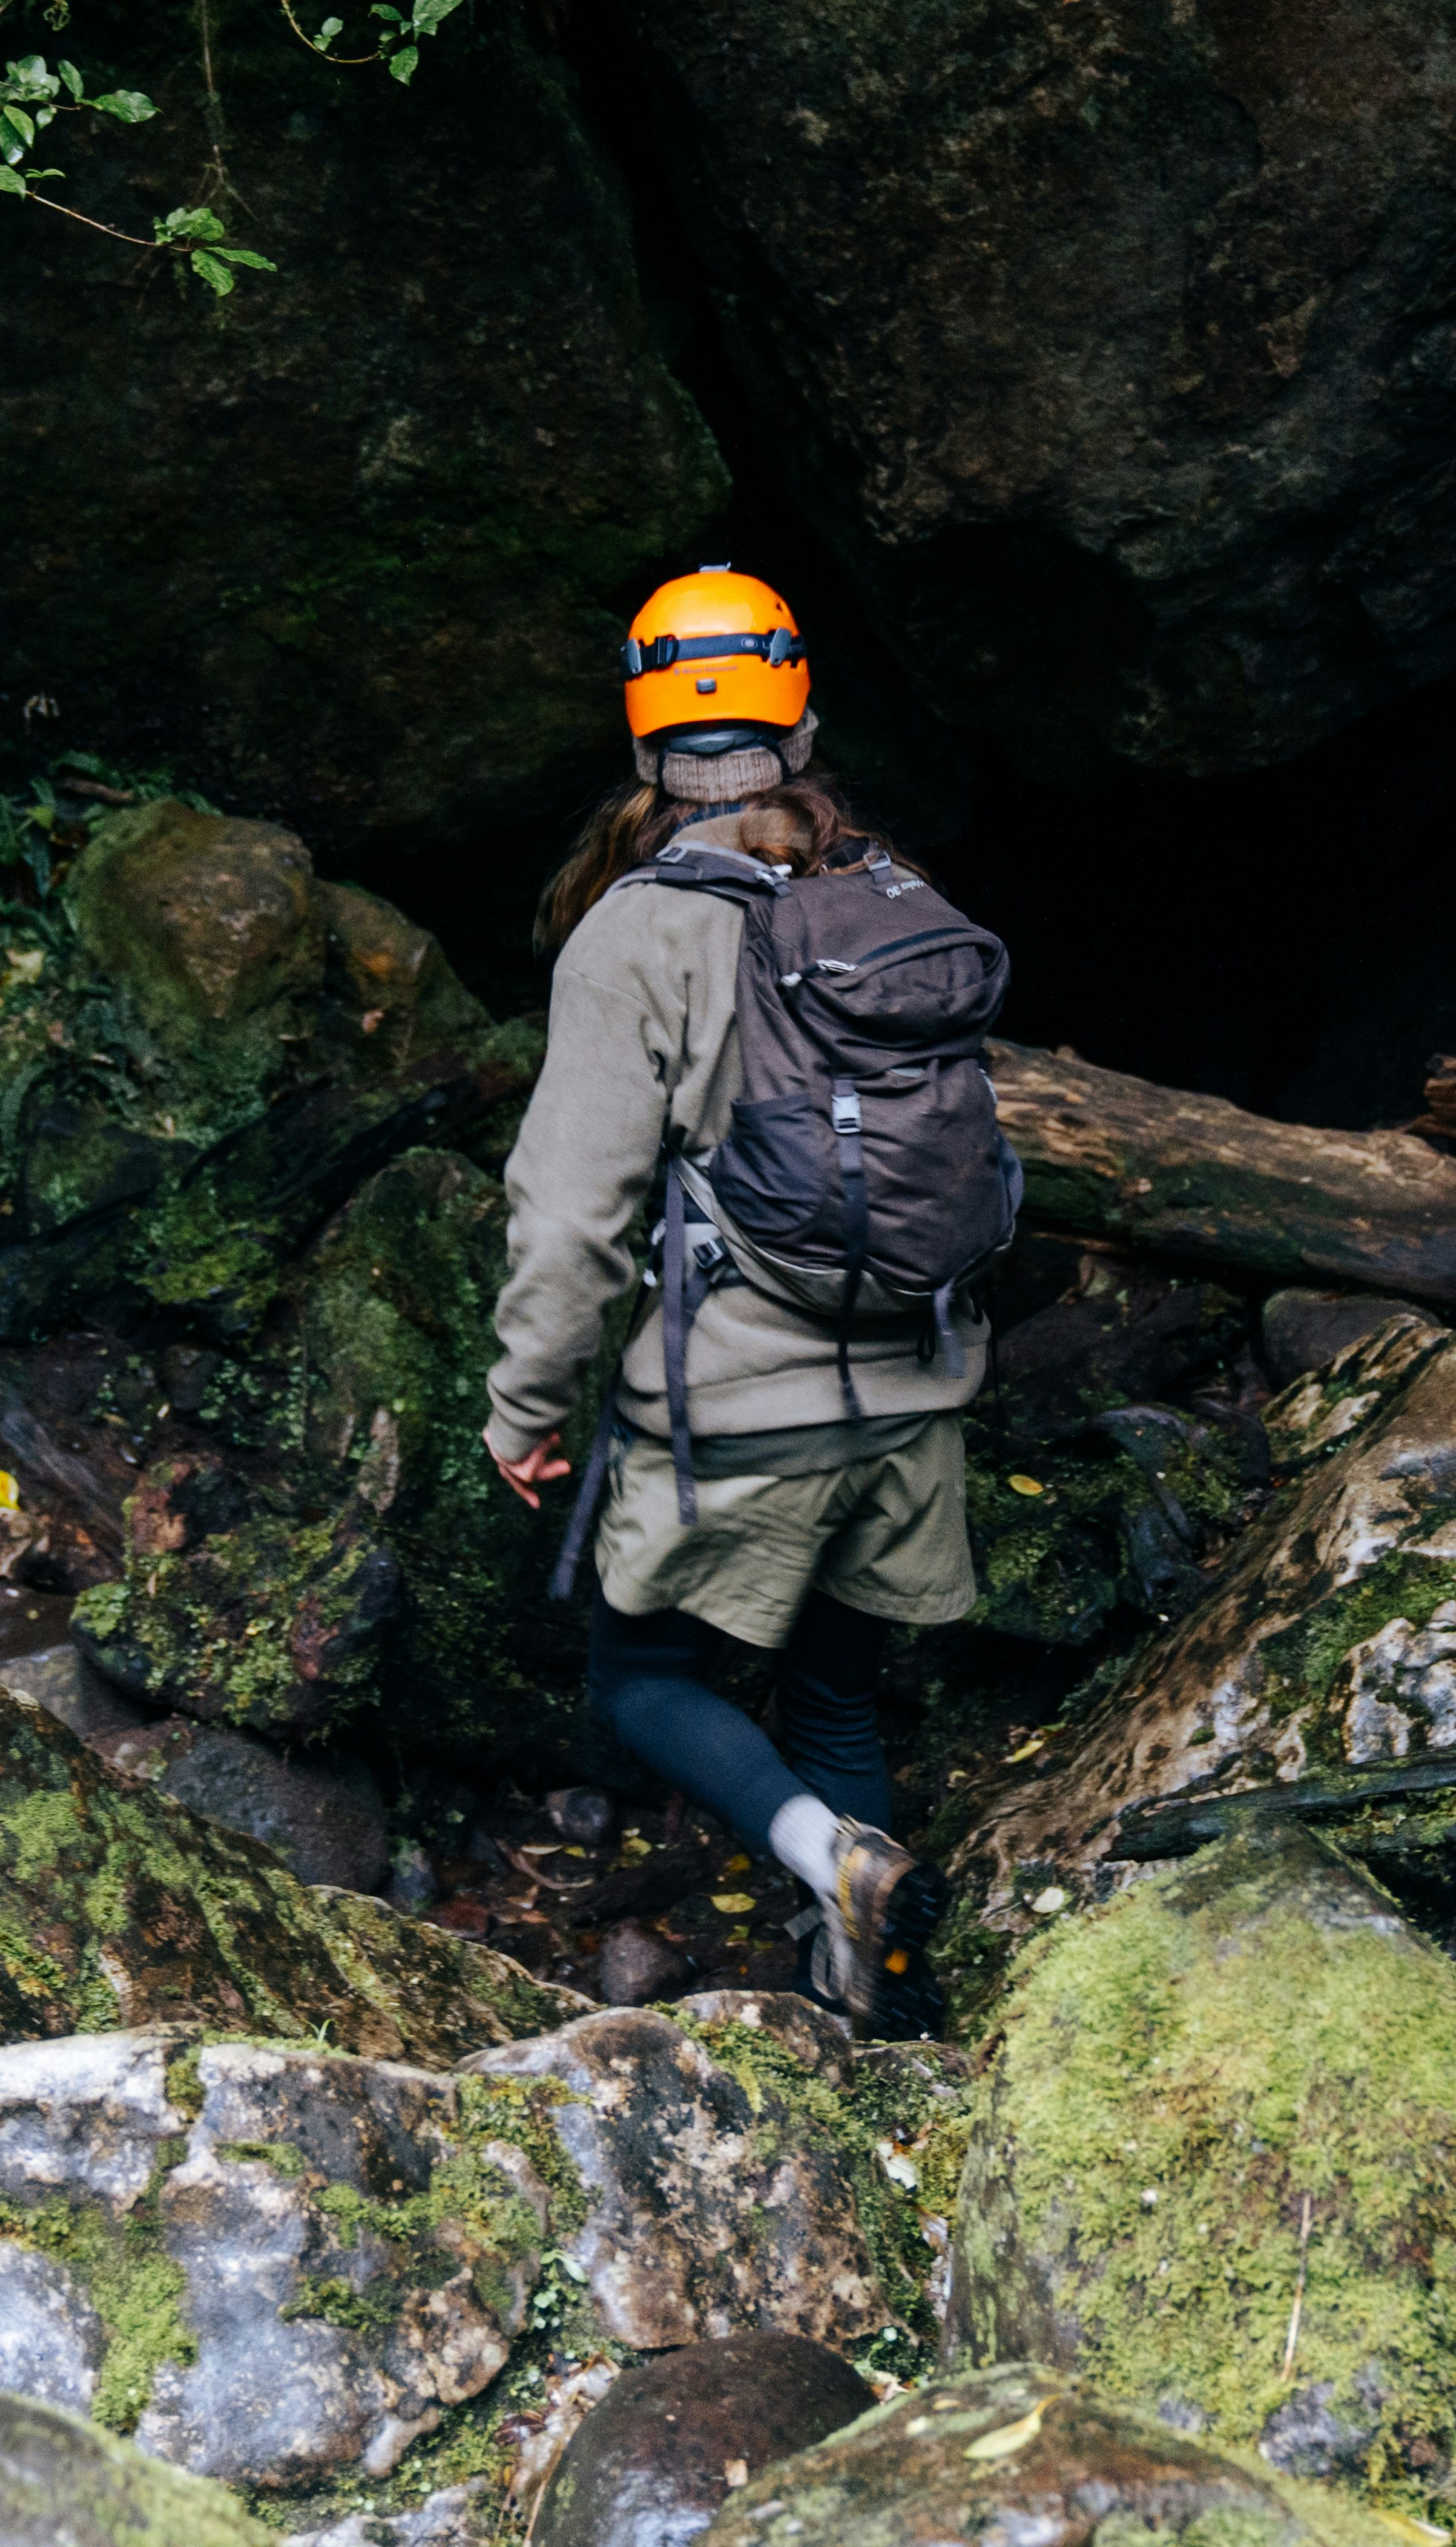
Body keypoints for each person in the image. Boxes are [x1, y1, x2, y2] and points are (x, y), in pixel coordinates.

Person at [481, 568, 986, 2039]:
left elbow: (571, 1212)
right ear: (806, 724)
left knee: (640, 1676)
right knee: (837, 1689)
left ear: (644, 749)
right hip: (917, 1378)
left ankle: (833, 1860)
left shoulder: (633, 932)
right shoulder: (890, 898)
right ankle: (879, 2007)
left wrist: (524, 1406)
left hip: (744, 1401)